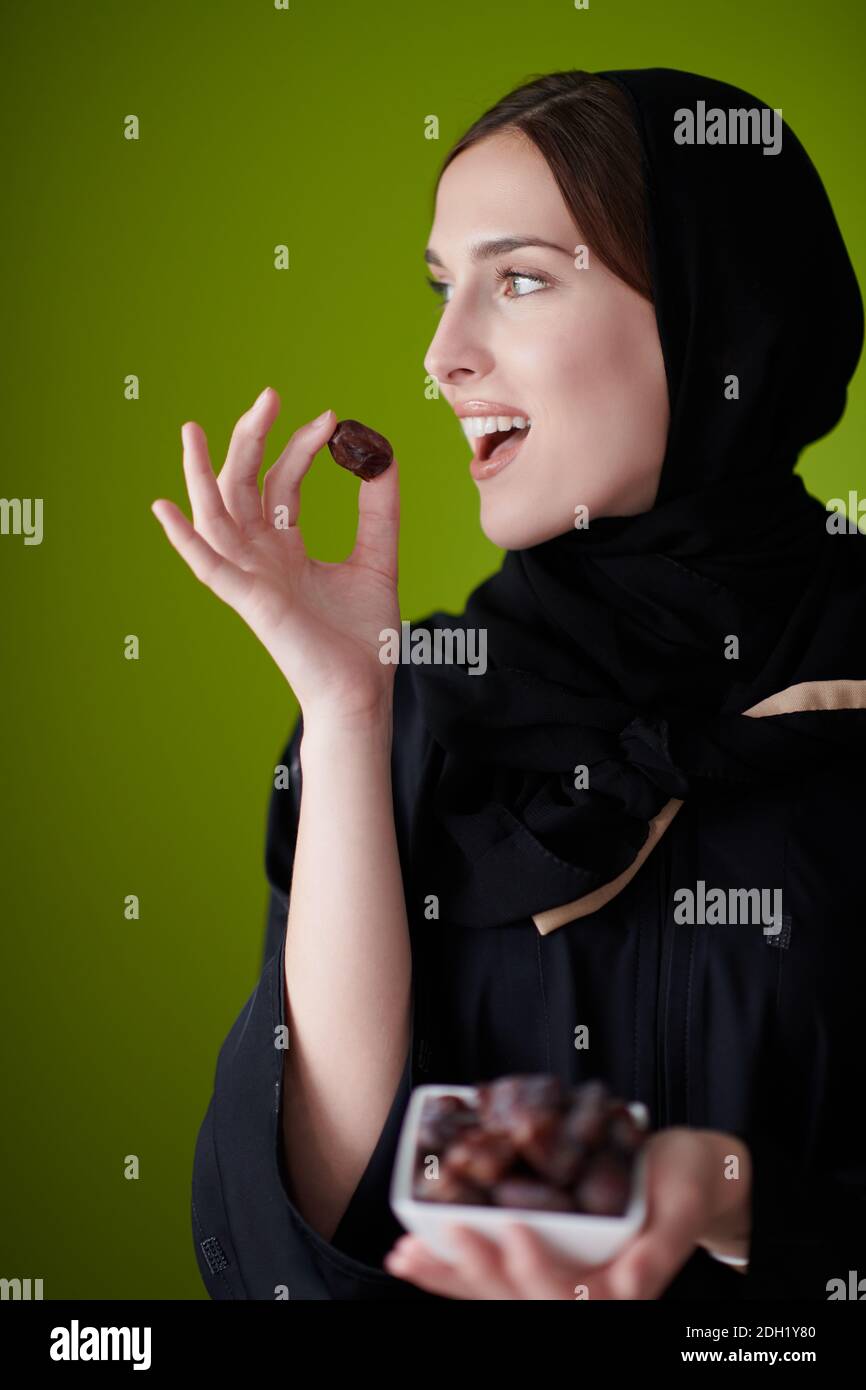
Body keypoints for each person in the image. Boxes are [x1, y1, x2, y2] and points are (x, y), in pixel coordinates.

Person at [152, 68, 866, 1300]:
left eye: (519, 278)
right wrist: (345, 708)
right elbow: (318, 1224)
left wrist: (726, 1196)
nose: (441, 355)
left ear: (714, 309)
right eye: (441, 288)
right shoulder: (417, 712)